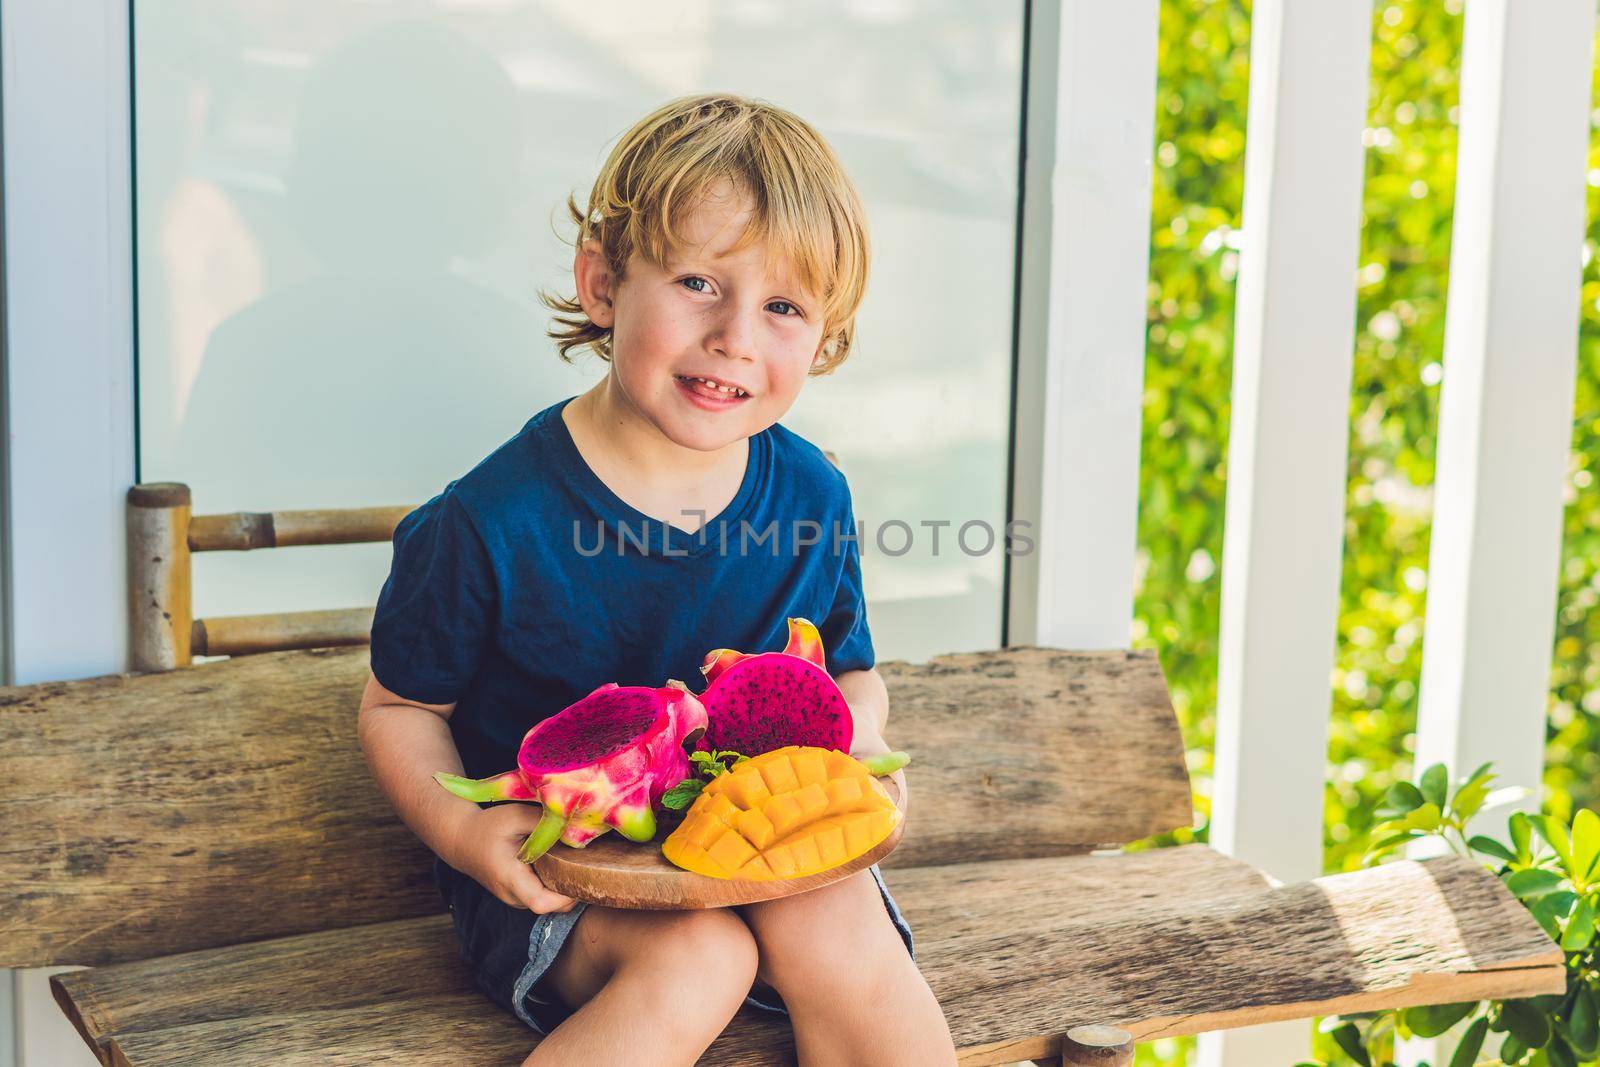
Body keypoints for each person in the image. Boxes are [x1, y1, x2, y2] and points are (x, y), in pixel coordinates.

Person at [358, 93, 957, 1066]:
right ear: (601, 283)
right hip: (569, 880)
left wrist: (868, 743)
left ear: (825, 334)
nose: (734, 336)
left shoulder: (813, 492)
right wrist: (471, 836)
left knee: (838, 929)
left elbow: (846, 673)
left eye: (782, 306)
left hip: (769, 838)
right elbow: (397, 707)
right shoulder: (488, 520)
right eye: (696, 281)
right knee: (700, 957)